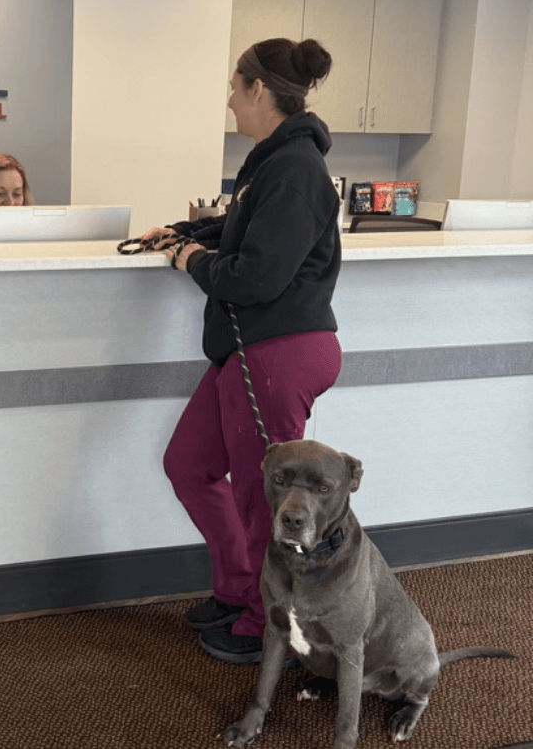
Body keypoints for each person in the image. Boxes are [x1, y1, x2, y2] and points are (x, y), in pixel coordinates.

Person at [148, 38, 343, 664]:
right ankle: (239, 590)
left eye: (235, 87)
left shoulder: (296, 168)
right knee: (190, 464)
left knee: (264, 498)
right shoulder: (275, 161)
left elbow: (256, 276)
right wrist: (189, 233)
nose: (230, 100)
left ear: (260, 89)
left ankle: (269, 625)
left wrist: (191, 260)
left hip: (278, 352)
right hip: (251, 351)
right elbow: (249, 233)